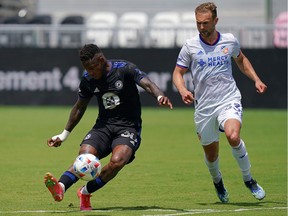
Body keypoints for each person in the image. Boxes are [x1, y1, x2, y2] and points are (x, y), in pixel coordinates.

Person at [44, 44, 173, 210]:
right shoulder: (88, 79)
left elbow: (147, 83)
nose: (89, 72)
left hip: (128, 128)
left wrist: (160, 95)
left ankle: (85, 191)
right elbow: (79, 107)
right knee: (85, 157)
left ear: (100, 60)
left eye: (92, 68)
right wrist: (63, 135)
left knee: (117, 162)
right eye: (86, 69)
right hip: (103, 127)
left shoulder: (124, 69)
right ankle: (60, 188)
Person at [172, 2, 267, 203]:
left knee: (233, 136)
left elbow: (241, 60)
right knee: (212, 155)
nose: (201, 27)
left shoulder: (229, 41)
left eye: (206, 23)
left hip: (228, 98)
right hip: (204, 107)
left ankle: (249, 180)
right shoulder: (190, 46)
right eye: (198, 23)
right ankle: (218, 182)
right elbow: (178, 72)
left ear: (216, 20)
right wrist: (182, 89)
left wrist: (256, 79)